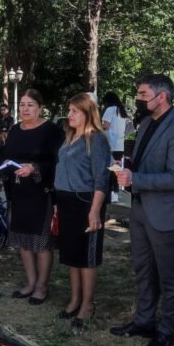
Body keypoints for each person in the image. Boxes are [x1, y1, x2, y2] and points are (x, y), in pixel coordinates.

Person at [111, 74, 174, 346]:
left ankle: (167, 331)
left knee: (169, 275)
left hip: (168, 213)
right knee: (143, 269)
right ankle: (144, 321)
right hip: (140, 208)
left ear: (162, 97)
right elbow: (143, 161)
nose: (138, 99)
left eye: (143, 94)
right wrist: (124, 166)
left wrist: (135, 178)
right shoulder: (147, 123)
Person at [54, 93, 110, 331]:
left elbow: (102, 179)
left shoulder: (96, 140)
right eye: (69, 110)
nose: (69, 115)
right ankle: (75, 300)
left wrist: (95, 211)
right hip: (65, 202)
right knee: (71, 254)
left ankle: (88, 304)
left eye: (74, 111)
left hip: (85, 203)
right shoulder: (69, 137)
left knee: (86, 256)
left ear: (88, 113)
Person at [1, 89, 63, 305]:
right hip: (19, 193)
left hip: (42, 193)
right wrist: (6, 164)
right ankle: (31, 282)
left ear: (40, 107)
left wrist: (34, 168)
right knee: (23, 240)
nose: (25, 109)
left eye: (30, 105)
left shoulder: (52, 131)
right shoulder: (15, 129)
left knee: (41, 242)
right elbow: (7, 154)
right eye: (22, 105)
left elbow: (58, 162)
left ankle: (42, 286)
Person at [101, 92, 128, 204]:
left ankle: (107, 195)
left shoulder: (110, 109)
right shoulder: (122, 111)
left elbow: (105, 126)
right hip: (120, 146)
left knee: (107, 171)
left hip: (110, 145)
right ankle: (115, 194)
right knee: (116, 171)